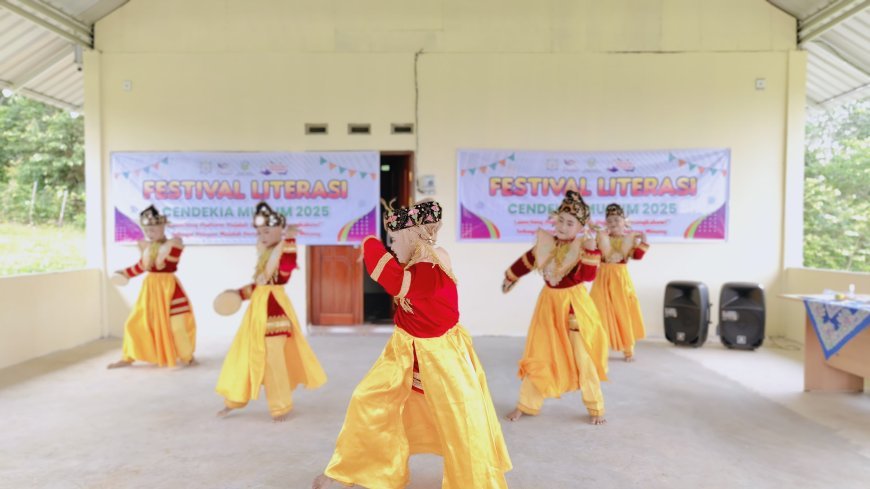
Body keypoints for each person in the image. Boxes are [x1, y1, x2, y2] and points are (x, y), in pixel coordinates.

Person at [313, 199, 511, 489]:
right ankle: (356, 471)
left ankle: (475, 481)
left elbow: (394, 281)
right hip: (404, 349)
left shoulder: (432, 265)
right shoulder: (416, 259)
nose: (392, 246)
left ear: (411, 234)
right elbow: (398, 272)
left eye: (394, 239)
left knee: (462, 418)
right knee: (369, 400)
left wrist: (368, 241)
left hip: (441, 355)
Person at [502, 190, 609, 425]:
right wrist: (511, 276)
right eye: (560, 219)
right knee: (539, 353)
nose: (562, 225)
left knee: (584, 356)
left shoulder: (584, 246)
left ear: (580, 227)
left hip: (574, 307)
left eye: (569, 223)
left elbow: (589, 276)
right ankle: (526, 404)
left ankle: (596, 406)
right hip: (548, 304)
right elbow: (527, 260)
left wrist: (592, 249)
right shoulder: (547, 244)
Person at [214, 202, 326, 422]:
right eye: (259, 232)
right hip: (256, 317)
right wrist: (237, 294)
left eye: (266, 231)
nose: (262, 235)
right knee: (245, 357)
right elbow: (258, 286)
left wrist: (291, 240)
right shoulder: (266, 254)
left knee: (273, 363)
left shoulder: (285, 250)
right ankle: (233, 400)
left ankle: (281, 406)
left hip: (275, 315)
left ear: (278, 230)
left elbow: (285, 272)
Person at [107, 205, 196, 369]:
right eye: (147, 229)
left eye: (153, 228)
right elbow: (141, 267)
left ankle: (187, 357)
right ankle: (128, 357)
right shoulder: (146, 247)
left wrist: (164, 251)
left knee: (177, 326)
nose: (150, 232)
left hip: (169, 288)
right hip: (150, 289)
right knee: (133, 323)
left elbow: (169, 263)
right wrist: (125, 274)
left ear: (163, 227)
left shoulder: (174, 244)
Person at [590, 203, 649, 362]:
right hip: (602, 277)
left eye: (616, 220)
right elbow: (592, 254)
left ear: (624, 221)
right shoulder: (601, 238)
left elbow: (637, 256)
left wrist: (643, 242)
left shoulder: (628, 239)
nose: (613, 223)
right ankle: (599, 348)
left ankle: (628, 349)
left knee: (622, 312)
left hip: (620, 280)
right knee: (598, 311)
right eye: (609, 221)